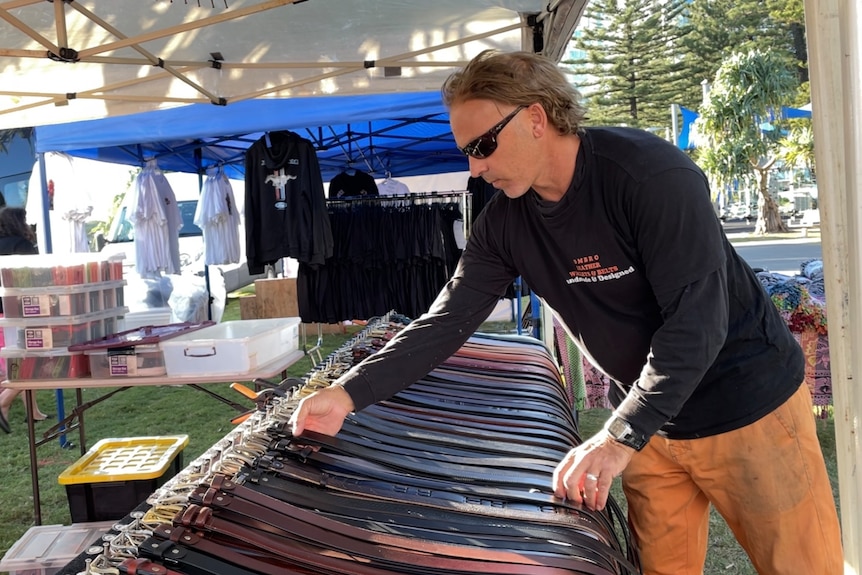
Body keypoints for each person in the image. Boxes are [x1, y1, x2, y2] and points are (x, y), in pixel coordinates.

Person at [289, 50, 843, 574]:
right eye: (466, 152)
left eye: (482, 145)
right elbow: (447, 321)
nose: (476, 170)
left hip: (748, 406)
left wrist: (619, 435)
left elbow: (697, 322)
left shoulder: (649, 176)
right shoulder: (505, 222)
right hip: (648, 424)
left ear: (535, 117)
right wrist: (347, 393)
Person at [0, 206, 48, 433]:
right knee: (31, 360)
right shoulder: (23, 246)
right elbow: (34, 277)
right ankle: (4, 401)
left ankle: (33, 411)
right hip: (19, 309)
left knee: (13, 362)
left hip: (1, 312)